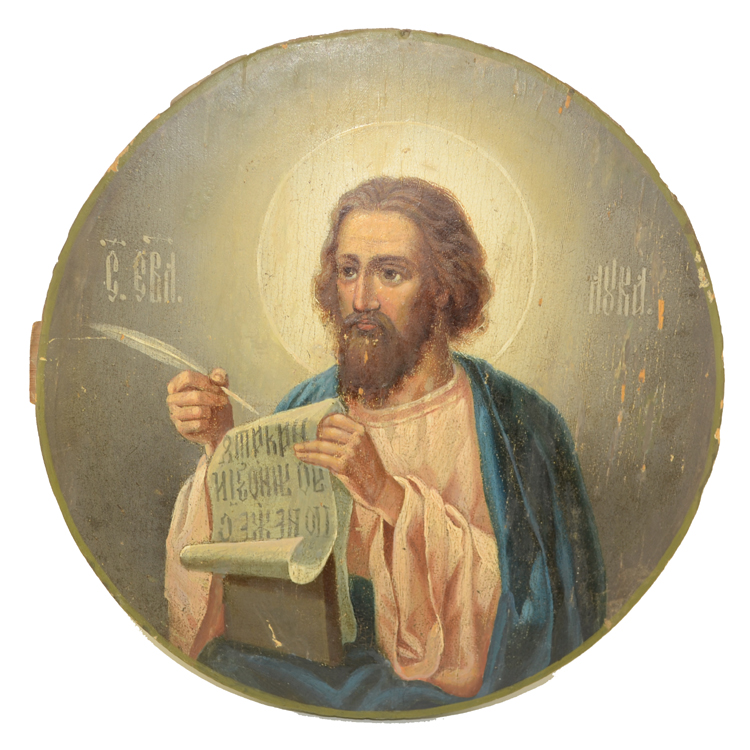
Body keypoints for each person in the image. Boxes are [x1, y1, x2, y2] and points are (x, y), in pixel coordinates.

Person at [165, 176, 606, 711]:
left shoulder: (519, 427)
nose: (361, 299)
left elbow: (537, 613)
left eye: (390, 273)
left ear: (443, 287)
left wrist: (387, 495)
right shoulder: (306, 406)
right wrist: (225, 448)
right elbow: (250, 579)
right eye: (348, 271)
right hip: (308, 681)